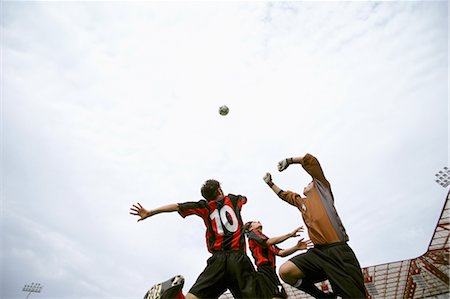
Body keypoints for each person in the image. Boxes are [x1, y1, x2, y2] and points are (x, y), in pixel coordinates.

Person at [263, 153, 367, 299]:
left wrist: (290, 161)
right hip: (318, 253)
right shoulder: (303, 203)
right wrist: (270, 183)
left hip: (338, 251)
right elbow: (285, 196)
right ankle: (322, 296)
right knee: (285, 271)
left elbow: (311, 161)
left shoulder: (322, 189)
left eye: (309, 182)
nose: (307, 184)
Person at [130, 179, 255, 299]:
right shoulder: (234, 199)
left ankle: (172, 296)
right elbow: (241, 204)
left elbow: (177, 206)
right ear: (219, 190)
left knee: (193, 297)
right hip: (238, 258)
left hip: (218, 260)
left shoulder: (205, 207)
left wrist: (150, 212)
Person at [244, 221, 313, 299]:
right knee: (275, 295)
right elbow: (268, 242)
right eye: (255, 222)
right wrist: (290, 235)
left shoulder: (266, 240)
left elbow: (281, 253)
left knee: (281, 295)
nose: (258, 221)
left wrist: (296, 247)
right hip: (264, 270)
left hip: (271, 271)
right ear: (250, 228)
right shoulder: (253, 234)